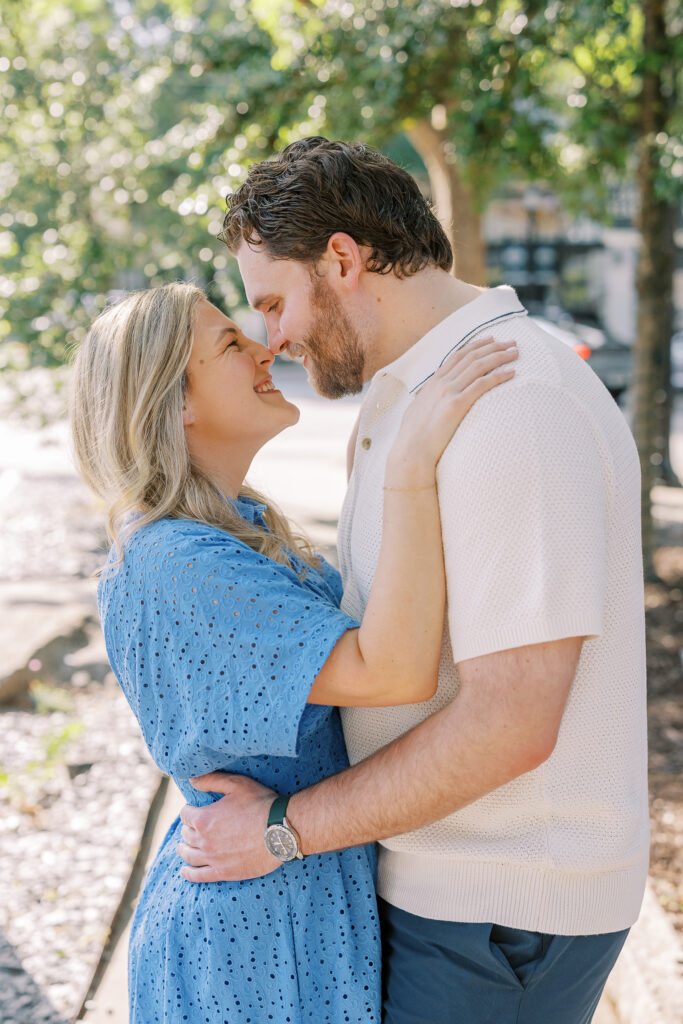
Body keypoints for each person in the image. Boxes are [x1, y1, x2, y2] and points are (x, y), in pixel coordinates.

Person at [178, 138, 650, 1024]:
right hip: (451, 891)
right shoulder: (423, 395)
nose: (272, 340)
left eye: (273, 303)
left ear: (343, 260)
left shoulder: (511, 402)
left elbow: (511, 722)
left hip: (499, 908)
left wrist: (282, 830)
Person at [70, 281, 516, 1023]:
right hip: (252, 928)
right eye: (228, 344)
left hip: (287, 892)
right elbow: (391, 669)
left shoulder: (232, 529)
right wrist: (408, 464)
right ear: (174, 403)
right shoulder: (181, 562)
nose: (264, 345)